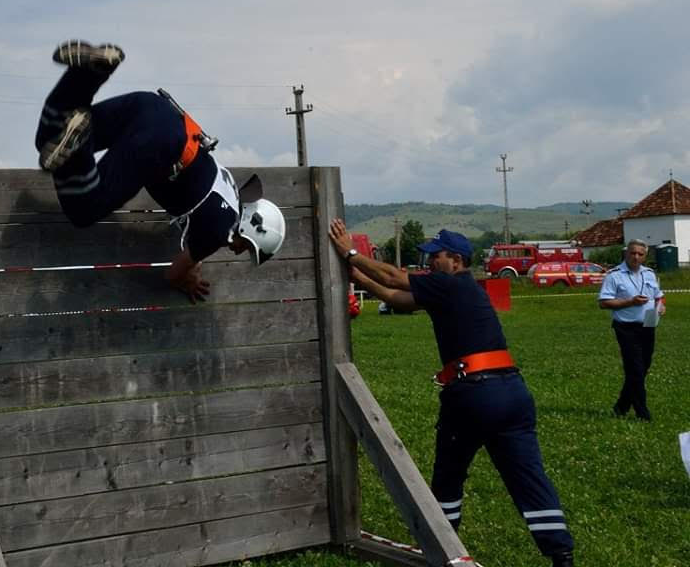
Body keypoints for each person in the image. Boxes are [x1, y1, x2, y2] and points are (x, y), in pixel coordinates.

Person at [329, 220, 574, 567]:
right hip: (513, 394)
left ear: (456, 261)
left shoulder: (449, 284)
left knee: (448, 475)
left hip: (474, 394)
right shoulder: (460, 290)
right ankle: (561, 554)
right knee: (529, 478)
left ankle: (442, 545)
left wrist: (350, 252)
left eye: (436, 256)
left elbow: (395, 279)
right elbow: (399, 299)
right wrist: (359, 278)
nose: (430, 263)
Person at [35, 40, 286, 302]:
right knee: (83, 210)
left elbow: (197, 217)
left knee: (50, 137)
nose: (237, 252)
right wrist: (187, 281)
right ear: (249, 229)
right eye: (247, 247)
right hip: (160, 145)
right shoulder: (219, 233)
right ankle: (78, 144)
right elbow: (174, 275)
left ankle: (88, 72)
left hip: (157, 110)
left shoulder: (229, 190)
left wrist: (194, 259)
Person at [599, 239, 665, 421]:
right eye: (632, 253)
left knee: (643, 368)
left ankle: (621, 406)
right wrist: (630, 302)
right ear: (626, 253)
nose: (636, 257)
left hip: (649, 324)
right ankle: (642, 413)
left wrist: (661, 306)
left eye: (640, 254)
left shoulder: (650, 274)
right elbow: (604, 303)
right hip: (626, 327)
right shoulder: (614, 275)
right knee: (635, 369)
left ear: (645, 256)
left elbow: (659, 296)